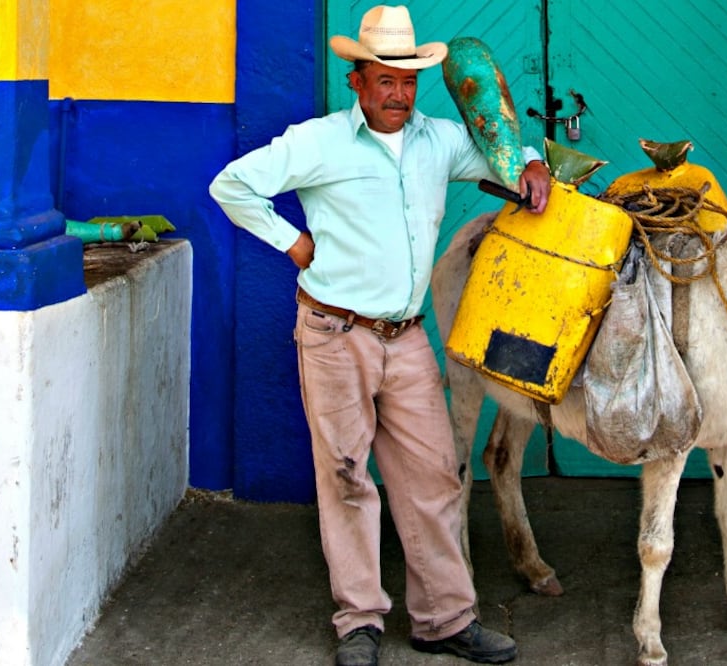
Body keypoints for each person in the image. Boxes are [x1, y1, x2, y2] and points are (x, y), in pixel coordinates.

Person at [209, 6, 551, 666]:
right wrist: (291, 241)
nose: (397, 94)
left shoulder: (436, 139)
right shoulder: (318, 141)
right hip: (335, 334)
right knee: (345, 478)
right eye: (383, 81)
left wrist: (531, 162)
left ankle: (444, 620)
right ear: (356, 81)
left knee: (432, 479)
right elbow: (233, 185)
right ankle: (358, 622)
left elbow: (499, 149)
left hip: (408, 338)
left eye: (406, 81)